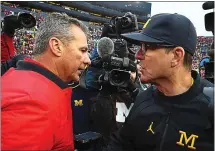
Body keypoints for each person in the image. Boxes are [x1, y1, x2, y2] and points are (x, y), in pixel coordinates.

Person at [103, 13, 214, 151]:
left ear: (176, 55)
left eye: (146, 47)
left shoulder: (211, 106)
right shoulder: (143, 100)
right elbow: (120, 145)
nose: (137, 55)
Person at [2, 13, 91, 150]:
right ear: (56, 46)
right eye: (82, 50)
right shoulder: (31, 103)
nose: (88, 60)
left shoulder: (36, 84)